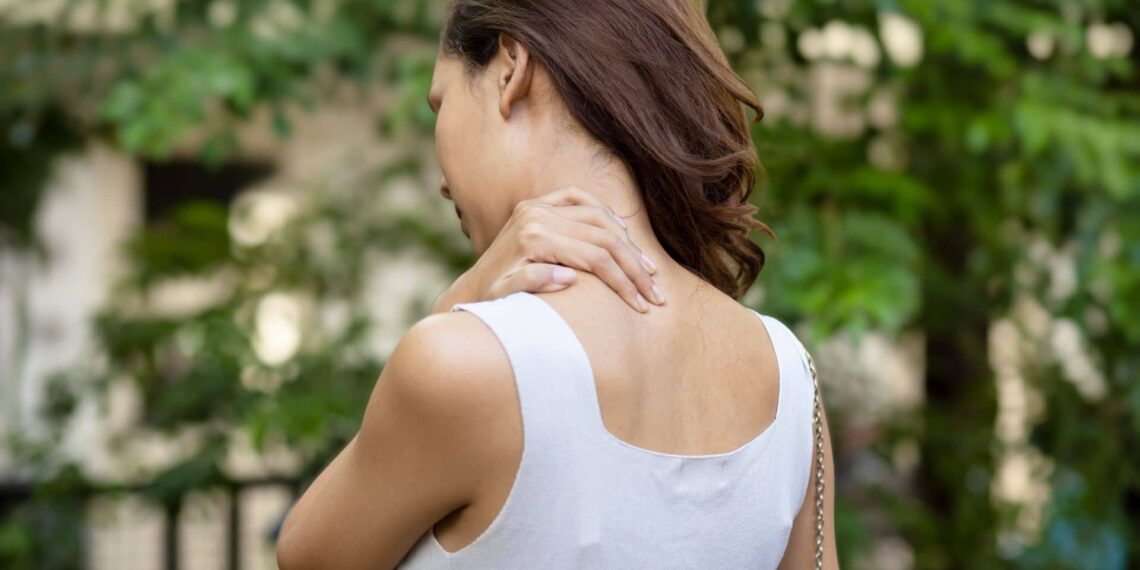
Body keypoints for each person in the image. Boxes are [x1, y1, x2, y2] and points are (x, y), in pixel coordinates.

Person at [276, 0, 838, 568]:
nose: (443, 183)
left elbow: (304, 560)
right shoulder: (788, 374)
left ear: (510, 69)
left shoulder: (459, 363)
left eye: (439, 104)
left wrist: (455, 305)